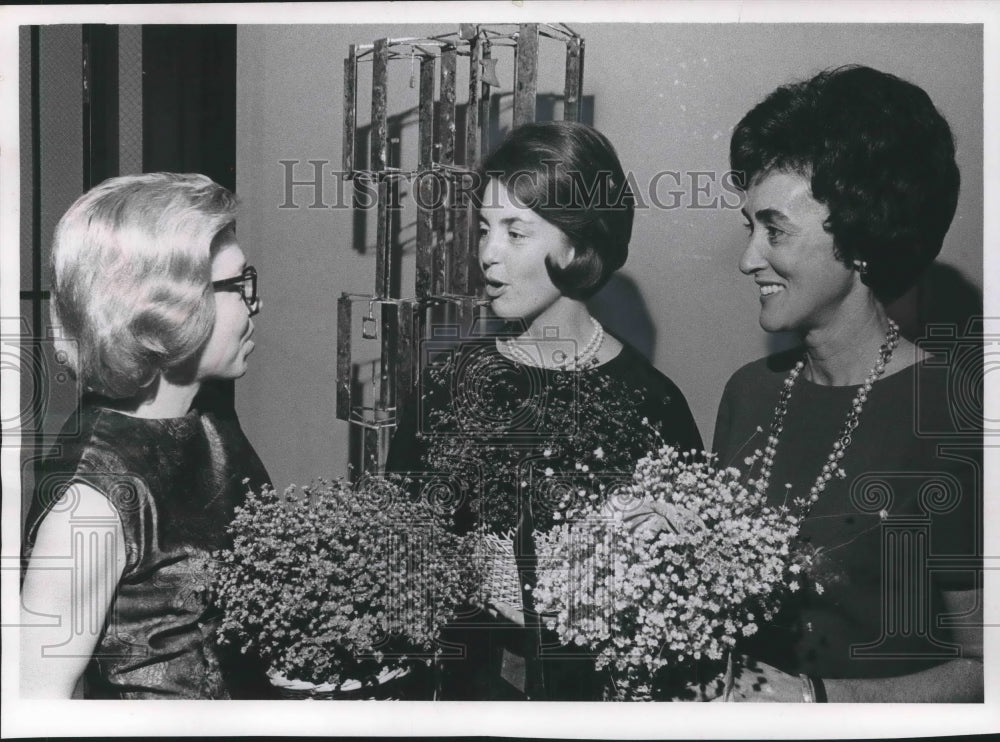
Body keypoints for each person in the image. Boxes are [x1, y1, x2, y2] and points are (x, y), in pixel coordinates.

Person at [387, 121, 703, 700]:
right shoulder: (445, 384)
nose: (486, 254)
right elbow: (399, 567)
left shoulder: (653, 405)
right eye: (485, 228)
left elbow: (681, 605)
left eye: (515, 232)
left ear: (579, 244)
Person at [713, 66, 982, 702]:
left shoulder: (951, 412)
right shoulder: (747, 392)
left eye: (774, 229)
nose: (748, 258)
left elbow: (986, 664)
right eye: (749, 227)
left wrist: (817, 700)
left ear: (860, 236)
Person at [20, 173, 273, 699]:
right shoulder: (91, 502)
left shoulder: (210, 421)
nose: (256, 303)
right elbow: (36, 705)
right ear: (162, 314)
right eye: (237, 285)